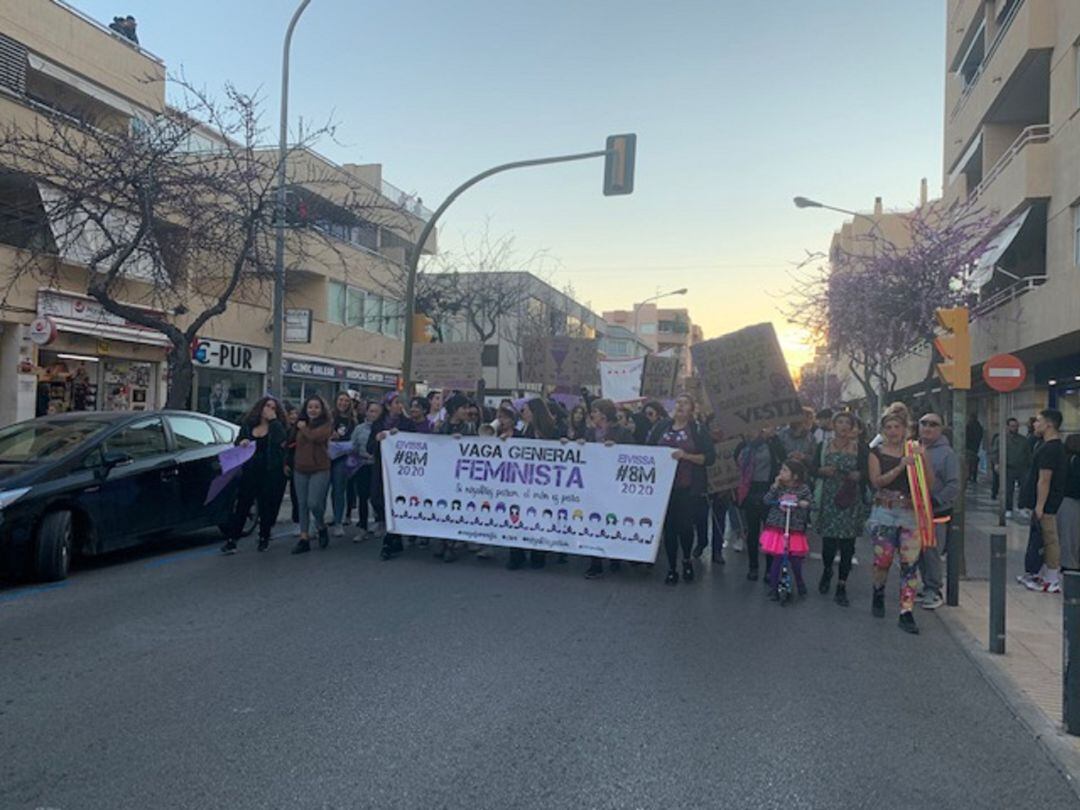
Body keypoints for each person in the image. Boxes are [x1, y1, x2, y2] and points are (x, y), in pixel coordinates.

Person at [867, 403, 932, 635]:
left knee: (909, 564)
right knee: (882, 561)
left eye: (897, 427)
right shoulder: (876, 453)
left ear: (905, 429)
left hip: (910, 513)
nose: (893, 431)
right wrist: (899, 467)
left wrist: (924, 461)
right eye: (889, 427)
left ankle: (906, 611)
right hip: (884, 512)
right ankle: (878, 590)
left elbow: (929, 484)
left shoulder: (914, 450)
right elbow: (876, 481)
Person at [648, 393, 716, 586]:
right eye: (678, 402)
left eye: (685, 403)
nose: (680, 406)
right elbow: (647, 450)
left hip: (688, 487)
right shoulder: (661, 427)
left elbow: (709, 458)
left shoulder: (698, 430)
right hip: (664, 488)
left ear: (692, 410)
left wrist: (685, 456)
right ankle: (671, 568)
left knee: (685, 527)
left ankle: (686, 559)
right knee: (669, 528)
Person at [220, 397, 288, 554]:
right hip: (250, 470)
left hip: (269, 471)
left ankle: (264, 536)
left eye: (273, 407)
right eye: (267, 406)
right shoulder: (249, 425)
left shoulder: (277, 426)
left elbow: (281, 441)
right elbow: (238, 441)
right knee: (243, 505)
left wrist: (274, 421)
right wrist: (242, 442)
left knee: (265, 506)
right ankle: (232, 540)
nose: (269, 410)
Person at [815, 412, 867, 607]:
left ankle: (841, 585)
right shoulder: (823, 447)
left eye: (848, 422)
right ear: (834, 425)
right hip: (829, 500)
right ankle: (827, 569)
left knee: (847, 545)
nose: (844, 426)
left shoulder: (860, 449)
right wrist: (822, 471)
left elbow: (868, 473)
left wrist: (859, 475)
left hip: (851, 501)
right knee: (828, 545)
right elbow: (813, 468)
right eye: (840, 422)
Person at [581, 399, 637, 579]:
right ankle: (595, 562)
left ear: (604, 414)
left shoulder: (622, 432)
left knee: (613, 521)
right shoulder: (589, 433)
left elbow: (634, 455)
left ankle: (615, 556)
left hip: (614, 486)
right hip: (594, 484)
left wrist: (618, 449)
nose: (592, 415)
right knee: (594, 522)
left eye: (595, 411)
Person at [507, 398, 561, 570]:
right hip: (525, 483)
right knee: (518, 517)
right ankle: (517, 555)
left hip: (546, 484)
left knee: (540, 519)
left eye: (526, 410)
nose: (524, 413)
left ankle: (538, 553)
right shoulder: (524, 430)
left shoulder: (554, 431)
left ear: (535, 412)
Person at [1018, 409, 1068, 593]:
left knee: (1049, 538)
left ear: (1049, 424)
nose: (1034, 424)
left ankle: (1052, 577)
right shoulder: (1046, 446)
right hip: (1045, 501)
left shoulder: (1050, 449)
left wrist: (1040, 505)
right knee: (1042, 538)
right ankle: (1043, 573)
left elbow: (1044, 479)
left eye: (1038, 421)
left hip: (1047, 503)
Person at [915, 413, 960, 611]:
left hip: (937, 513)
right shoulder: (913, 448)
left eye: (933, 424)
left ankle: (934, 589)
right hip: (915, 511)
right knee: (918, 552)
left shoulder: (947, 454)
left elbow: (954, 484)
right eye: (924, 423)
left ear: (940, 429)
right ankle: (925, 586)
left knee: (932, 552)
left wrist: (936, 499)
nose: (927, 427)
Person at [736, 426, 787, 581]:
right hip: (750, 490)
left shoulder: (771, 444)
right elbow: (734, 463)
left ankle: (770, 569)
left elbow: (783, 456)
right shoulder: (743, 446)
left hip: (768, 489)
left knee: (769, 532)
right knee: (752, 532)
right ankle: (753, 567)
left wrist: (773, 437)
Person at [760, 459, 813, 600]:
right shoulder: (778, 487)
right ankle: (773, 587)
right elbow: (766, 500)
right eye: (781, 470)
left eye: (785, 470)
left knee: (795, 559)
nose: (781, 473)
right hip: (777, 527)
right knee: (777, 558)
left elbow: (809, 502)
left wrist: (804, 503)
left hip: (794, 527)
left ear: (795, 476)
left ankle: (800, 582)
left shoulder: (803, 489)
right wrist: (775, 486)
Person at [434, 393, 478, 563]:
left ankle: (452, 544)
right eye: (463, 408)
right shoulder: (441, 427)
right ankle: (442, 540)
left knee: (456, 508)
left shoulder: (469, 428)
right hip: (443, 474)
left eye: (467, 408)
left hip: (461, 476)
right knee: (442, 507)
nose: (467, 411)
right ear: (454, 410)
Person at [290, 395, 333, 555]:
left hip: (320, 468)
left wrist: (304, 428)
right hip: (300, 468)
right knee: (302, 504)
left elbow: (316, 437)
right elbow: (290, 442)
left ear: (321, 410)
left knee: (314, 503)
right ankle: (304, 537)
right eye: (310, 407)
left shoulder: (326, 425)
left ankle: (321, 525)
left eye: (316, 407)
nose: (313, 410)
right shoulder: (299, 424)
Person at [350, 401, 382, 543]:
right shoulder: (359, 429)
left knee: (376, 497)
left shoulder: (384, 429)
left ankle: (380, 521)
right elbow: (353, 446)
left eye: (376, 411)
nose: (373, 414)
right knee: (362, 497)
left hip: (378, 467)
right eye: (371, 411)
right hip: (363, 466)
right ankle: (362, 527)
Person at [328, 392, 357, 538]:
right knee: (322, 489)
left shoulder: (353, 420)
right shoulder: (328, 417)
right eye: (341, 400)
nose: (343, 403)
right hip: (326, 456)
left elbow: (354, 438)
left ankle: (338, 521)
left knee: (339, 490)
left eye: (346, 401)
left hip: (342, 457)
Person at [990, 417, 1032, 516]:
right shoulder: (1001, 439)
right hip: (1009, 467)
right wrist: (996, 463)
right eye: (1013, 426)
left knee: (1024, 487)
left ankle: (1021, 506)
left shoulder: (1023, 440)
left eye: (1016, 426)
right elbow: (995, 452)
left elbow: (1028, 454)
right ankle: (1008, 508)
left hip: (1022, 467)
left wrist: (1029, 466)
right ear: (1008, 427)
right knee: (1009, 489)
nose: (1015, 428)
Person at [1058, 434, 1080, 573]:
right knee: (1072, 535)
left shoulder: (1064, 459)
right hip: (1073, 500)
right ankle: (1072, 564)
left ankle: (1068, 563)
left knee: (1068, 534)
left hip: (1065, 499)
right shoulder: (1075, 460)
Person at [779, 406, 819, 473]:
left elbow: (815, 458)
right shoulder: (783, 434)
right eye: (807, 418)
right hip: (784, 472)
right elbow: (776, 454)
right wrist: (788, 455)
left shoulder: (811, 438)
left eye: (811, 418)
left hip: (802, 473)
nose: (810, 421)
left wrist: (804, 457)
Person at [965, 412, 984, 484]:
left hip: (969, 447)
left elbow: (966, 436)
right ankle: (974, 477)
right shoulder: (979, 427)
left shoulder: (968, 426)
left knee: (968, 463)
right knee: (974, 462)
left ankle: (969, 476)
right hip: (976, 448)